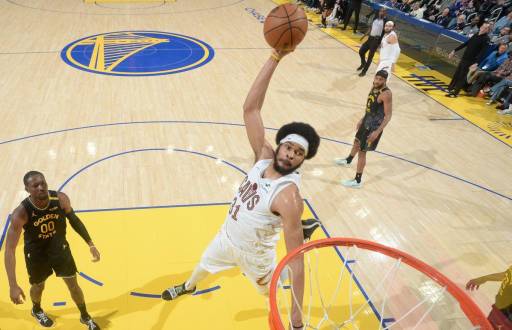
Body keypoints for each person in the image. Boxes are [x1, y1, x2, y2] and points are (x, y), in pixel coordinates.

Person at [161, 49, 321, 330]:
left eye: (298, 153)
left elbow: (296, 263)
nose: (290, 154)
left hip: (256, 256)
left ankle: (295, 239)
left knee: (269, 291)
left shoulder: (289, 196)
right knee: (202, 264)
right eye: (288, 147)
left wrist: (296, 322)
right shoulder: (263, 155)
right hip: (227, 236)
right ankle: (188, 286)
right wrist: (275, 56)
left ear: (302, 160)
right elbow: (251, 109)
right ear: (280, 144)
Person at [4, 171, 101, 329]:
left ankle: (85, 316)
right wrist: (13, 285)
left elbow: (74, 220)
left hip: (59, 249)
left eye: (43, 183)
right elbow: (9, 250)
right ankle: (36, 309)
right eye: (36, 185)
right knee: (38, 287)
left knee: (73, 284)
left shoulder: (60, 199)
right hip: (36, 254)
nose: (41, 187)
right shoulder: (21, 213)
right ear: (27, 189)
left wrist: (90, 243)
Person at [334, 70, 393, 188]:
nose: (377, 81)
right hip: (366, 121)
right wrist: (362, 118)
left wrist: (377, 132)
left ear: (385, 80)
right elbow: (371, 108)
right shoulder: (374, 87)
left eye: (380, 79)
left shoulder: (386, 94)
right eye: (376, 78)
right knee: (356, 141)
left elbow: (388, 115)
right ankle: (348, 160)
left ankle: (357, 181)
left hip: (374, 127)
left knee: (362, 152)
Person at [446, 22, 491, 98]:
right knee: (457, 73)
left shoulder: (486, 39)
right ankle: (450, 88)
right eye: (483, 27)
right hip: (464, 57)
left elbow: (483, 52)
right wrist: (454, 50)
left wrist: (476, 63)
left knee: (462, 76)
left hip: (471, 61)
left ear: (488, 30)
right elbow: (466, 43)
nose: (484, 29)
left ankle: (455, 92)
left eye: (486, 28)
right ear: (481, 27)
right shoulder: (476, 34)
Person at [357, 8, 387, 76]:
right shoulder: (375, 19)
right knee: (361, 52)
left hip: (376, 40)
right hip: (370, 38)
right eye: (381, 11)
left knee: (370, 57)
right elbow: (371, 28)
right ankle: (363, 63)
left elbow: (385, 33)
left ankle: (364, 71)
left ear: (385, 14)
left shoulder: (385, 21)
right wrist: (364, 36)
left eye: (383, 12)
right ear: (379, 12)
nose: (381, 13)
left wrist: (381, 43)